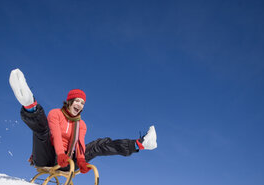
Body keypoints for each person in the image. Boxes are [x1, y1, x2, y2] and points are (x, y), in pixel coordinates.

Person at [9, 68, 157, 173]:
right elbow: (56, 136)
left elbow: (79, 144)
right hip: (46, 156)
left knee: (99, 144)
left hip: (67, 162)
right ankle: (29, 104)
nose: (80, 105)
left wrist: (80, 160)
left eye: (82, 103)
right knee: (43, 132)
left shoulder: (81, 124)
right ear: (69, 101)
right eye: (77, 101)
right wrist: (60, 154)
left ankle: (140, 144)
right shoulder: (56, 114)